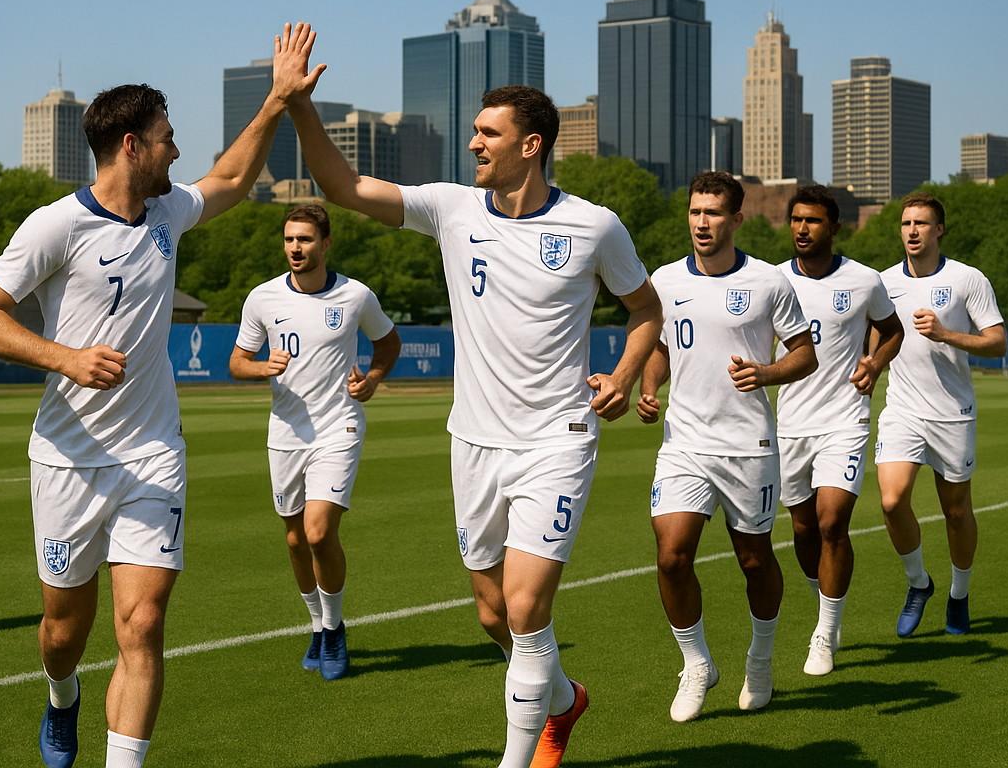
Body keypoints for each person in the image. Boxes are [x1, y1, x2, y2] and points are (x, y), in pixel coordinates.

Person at [0, 24, 325, 768]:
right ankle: (62, 698)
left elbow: (228, 179)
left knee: (144, 624)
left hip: (152, 455)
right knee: (64, 633)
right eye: (166, 138)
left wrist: (278, 101)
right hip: (67, 460)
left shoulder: (167, 214)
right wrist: (64, 357)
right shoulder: (55, 225)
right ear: (131, 145)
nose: (176, 151)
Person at [286, 79, 662, 768]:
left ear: (531, 144)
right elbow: (341, 186)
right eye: (474, 131)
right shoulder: (450, 208)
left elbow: (646, 309)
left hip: (558, 440)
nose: (472, 143)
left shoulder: (595, 225)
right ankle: (562, 700)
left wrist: (626, 372)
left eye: (487, 133)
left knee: (524, 607)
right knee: (494, 616)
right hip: (474, 443)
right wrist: (298, 103)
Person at [637, 171, 816, 722]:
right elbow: (661, 347)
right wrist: (648, 387)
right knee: (671, 556)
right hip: (685, 444)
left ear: (736, 219)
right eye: (695, 212)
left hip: (749, 446)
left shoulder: (768, 282)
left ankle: (759, 659)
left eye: (713, 213)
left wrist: (765, 373)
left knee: (754, 559)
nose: (701, 223)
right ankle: (696, 665)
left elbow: (805, 355)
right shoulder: (664, 280)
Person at [229, 203, 401, 681]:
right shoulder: (262, 298)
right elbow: (237, 362)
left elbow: (388, 343)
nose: (295, 248)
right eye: (289, 240)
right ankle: (318, 627)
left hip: (338, 428)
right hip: (286, 433)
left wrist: (373, 379)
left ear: (325, 244)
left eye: (304, 240)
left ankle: (336, 627)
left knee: (319, 532)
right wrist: (262, 367)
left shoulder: (356, 296)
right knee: (293, 539)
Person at [776, 185, 904, 676]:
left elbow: (892, 330)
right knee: (804, 529)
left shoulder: (864, 280)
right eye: (795, 220)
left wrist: (875, 362)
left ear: (834, 227)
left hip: (845, 420)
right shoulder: (773, 281)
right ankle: (823, 601)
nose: (801, 229)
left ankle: (825, 632)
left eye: (811, 221)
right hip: (789, 426)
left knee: (832, 523)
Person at [875, 192, 1005, 637]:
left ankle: (959, 595)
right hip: (903, 411)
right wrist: (869, 367)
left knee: (955, 512)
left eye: (922, 223)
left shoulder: (968, 279)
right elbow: (874, 337)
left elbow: (998, 342)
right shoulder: (884, 281)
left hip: (953, 413)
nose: (912, 230)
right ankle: (919, 583)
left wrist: (948, 334)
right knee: (892, 502)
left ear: (939, 230)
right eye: (907, 223)